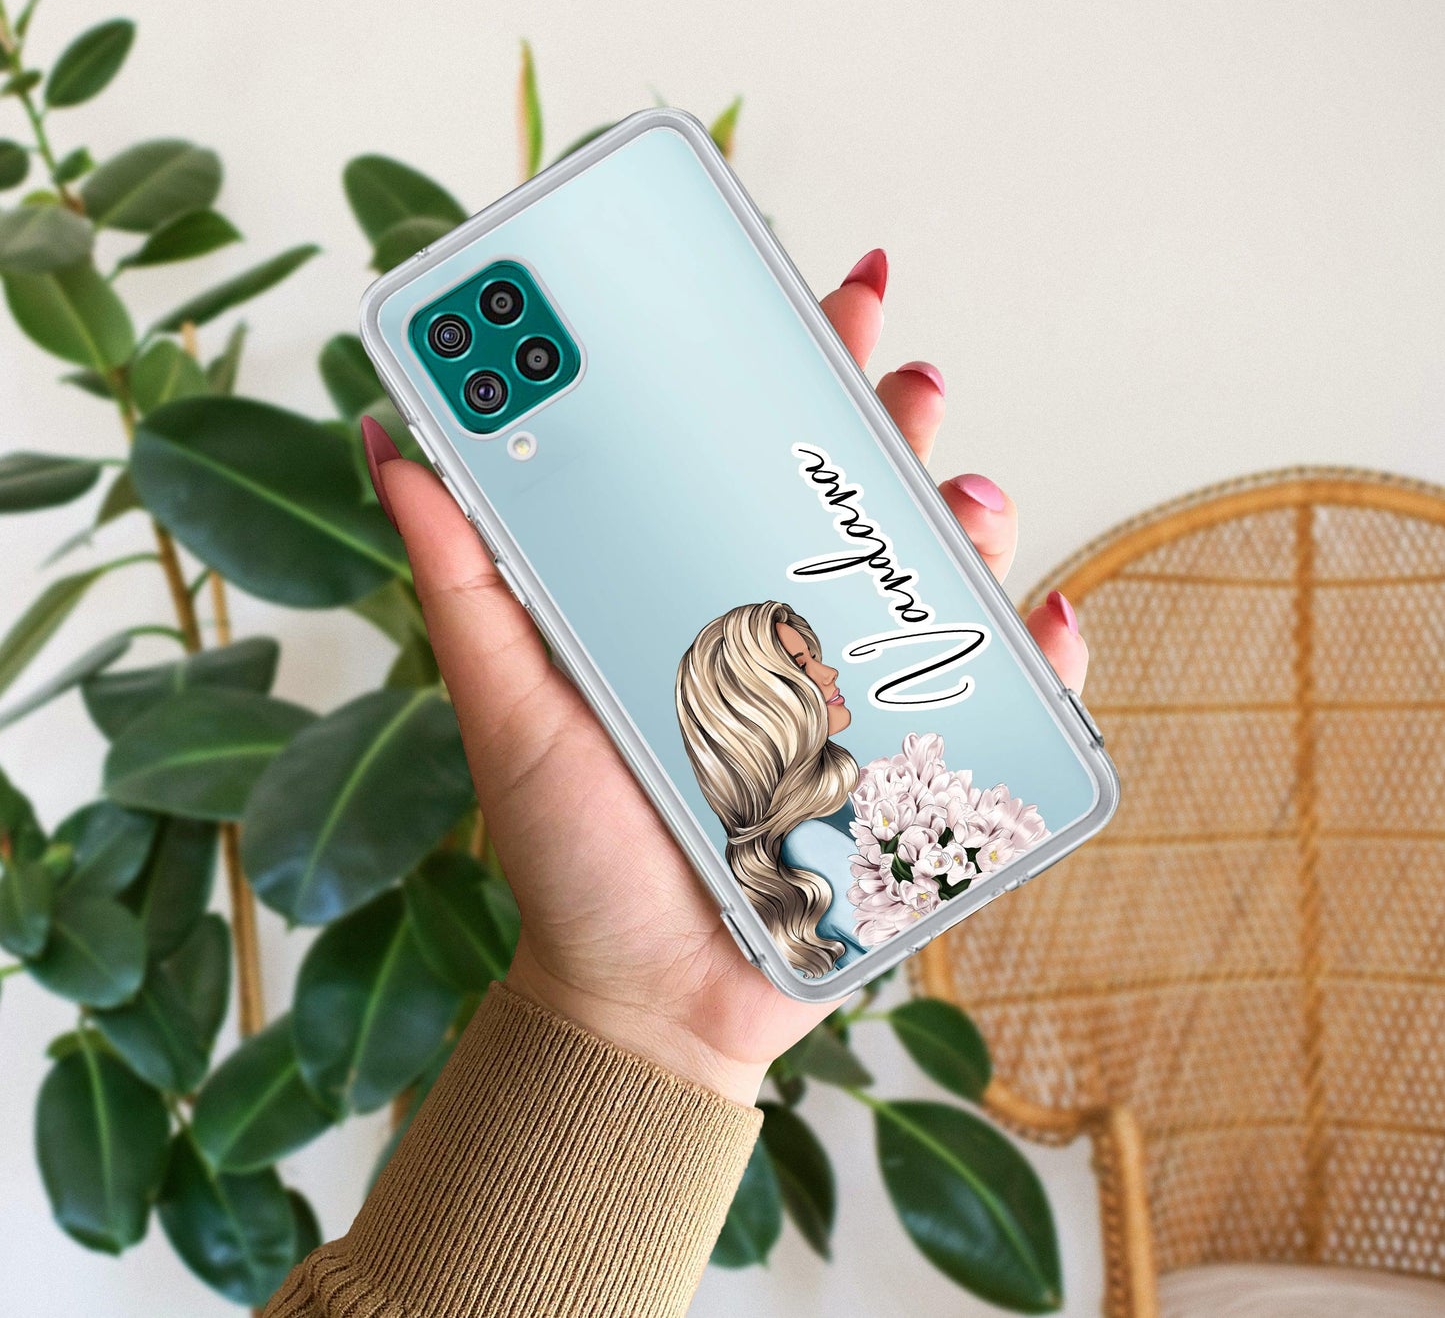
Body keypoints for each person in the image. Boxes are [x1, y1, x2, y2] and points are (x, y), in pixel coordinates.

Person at [264, 249, 1088, 1318]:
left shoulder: (839, 831)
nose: (833, 669)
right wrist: (648, 1024)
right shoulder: (833, 842)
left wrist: (641, 1022)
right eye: (805, 656)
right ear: (754, 696)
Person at [676, 599, 866, 976]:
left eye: (815, 658)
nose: (829, 673)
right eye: (801, 667)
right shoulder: (808, 842)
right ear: (759, 708)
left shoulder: (832, 807)